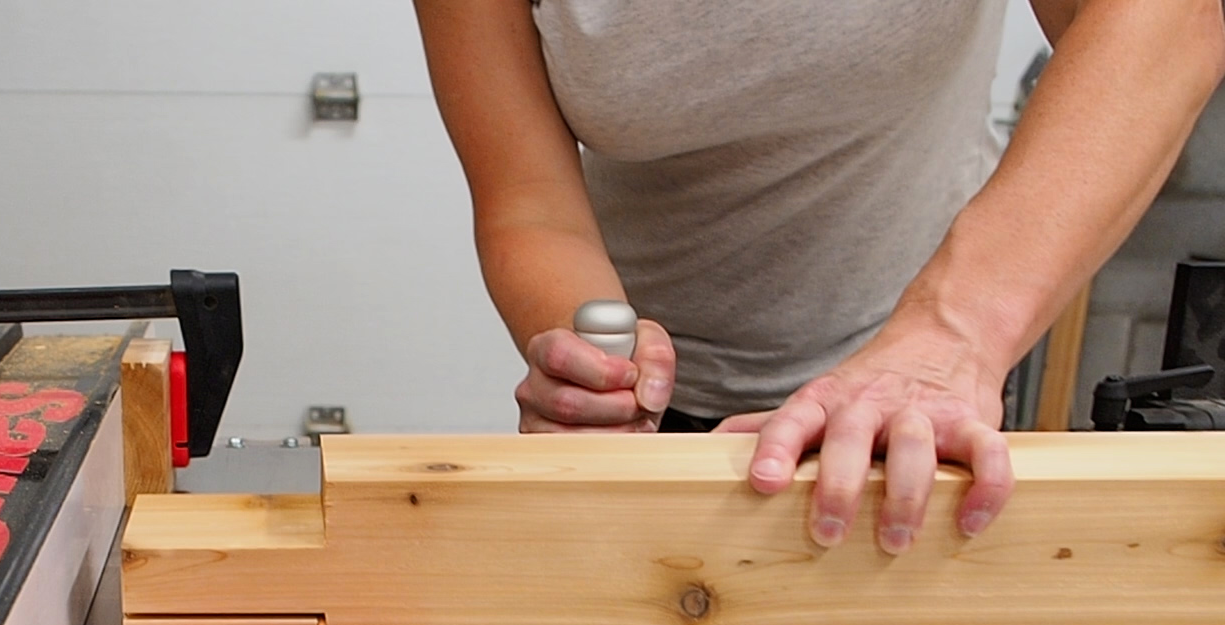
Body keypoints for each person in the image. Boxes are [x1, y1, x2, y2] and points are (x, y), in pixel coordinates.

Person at [414, 1, 1224, 552]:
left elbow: (1170, 19)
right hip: (656, 434)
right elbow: (531, 203)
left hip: (920, 412)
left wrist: (953, 337)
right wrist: (595, 363)